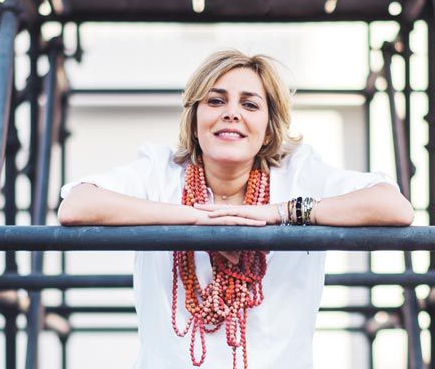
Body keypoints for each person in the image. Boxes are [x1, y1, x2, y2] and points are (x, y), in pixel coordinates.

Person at [58, 50, 413, 369]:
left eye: (250, 105)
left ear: (268, 128)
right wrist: (195, 217)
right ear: (194, 120)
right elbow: (77, 205)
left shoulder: (298, 173)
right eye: (215, 101)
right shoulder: (159, 170)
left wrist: (280, 213)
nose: (231, 113)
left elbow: (393, 206)